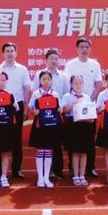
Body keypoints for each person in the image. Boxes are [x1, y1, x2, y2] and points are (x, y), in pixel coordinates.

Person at [64, 37, 103, 178]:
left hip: (88, 106)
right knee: (73, 139)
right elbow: (68, 84)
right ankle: (72, 168)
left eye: (87, 47)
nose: (84, 49)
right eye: (82, 47)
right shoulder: (70, 64)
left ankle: (90, 167)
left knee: (89, 139)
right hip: (74, 107)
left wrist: (88, 102)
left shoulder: (95, 64)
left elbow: (98, 85)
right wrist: (76, 102)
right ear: (77, 49)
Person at [0, 42, 30, 179]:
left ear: (16, 53)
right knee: (1, 137)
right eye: (7, 51)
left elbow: (26, 89)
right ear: (3, 54)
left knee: (16, 138)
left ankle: (16, 169)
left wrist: (25, 108)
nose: (9, 53)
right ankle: (0, 171)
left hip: (16, 106)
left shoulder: (22, 69)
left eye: (12, 51)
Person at [31, 49, 68, 180]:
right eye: (51, 58)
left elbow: (66, 94)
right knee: (44, 145)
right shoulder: (39, 74)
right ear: (46, 60)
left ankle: (57, 171)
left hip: (57, 115)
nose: (54, 61)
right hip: (42, 117)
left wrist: (61, 108)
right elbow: (34, 93)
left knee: (57, 144)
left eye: (56, 58)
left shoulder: (63, 76)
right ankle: (45, 172)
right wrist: (35, 110)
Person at [28, 70, 63, 188]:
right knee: (40, 151)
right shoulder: (36, 94)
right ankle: (40, 178)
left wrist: (60, 110)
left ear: (51, 81)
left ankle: (47, 177)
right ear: (40, 81)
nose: (46, 81)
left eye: (48, 79)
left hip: (52, 126)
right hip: (40, 126)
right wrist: (34, 111)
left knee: (48, 151)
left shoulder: (55, 94)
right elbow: (30, 107)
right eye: (44, 79)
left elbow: (60, 107)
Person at [61, 75, 94, 187]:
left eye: (80, 83)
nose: (78, 85)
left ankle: (82, 175)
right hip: (72, 125)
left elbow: (90, 113)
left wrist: (90, 119)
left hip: (84, 125)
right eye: (75, 83)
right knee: (75, 152)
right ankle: (75, 175)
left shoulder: (86, 97)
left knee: (84, 152)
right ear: (71, 84)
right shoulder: (67, 96)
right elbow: (64, 111)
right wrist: (73, 104)